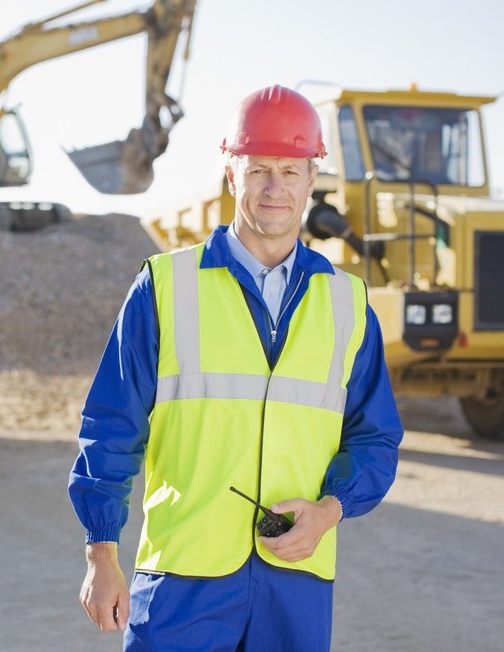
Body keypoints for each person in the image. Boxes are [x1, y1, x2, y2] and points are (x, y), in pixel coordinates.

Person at [68, 84, 403, 651]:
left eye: (291, 172)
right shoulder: (165, 286)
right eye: (258, 170)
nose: (275, 188)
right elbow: (111, 425)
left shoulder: (348, 303)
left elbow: (376, 437)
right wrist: (102, 551)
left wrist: (328, 511)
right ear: (231, 175)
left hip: (294, 582)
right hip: (181, 577)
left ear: (312, 179)